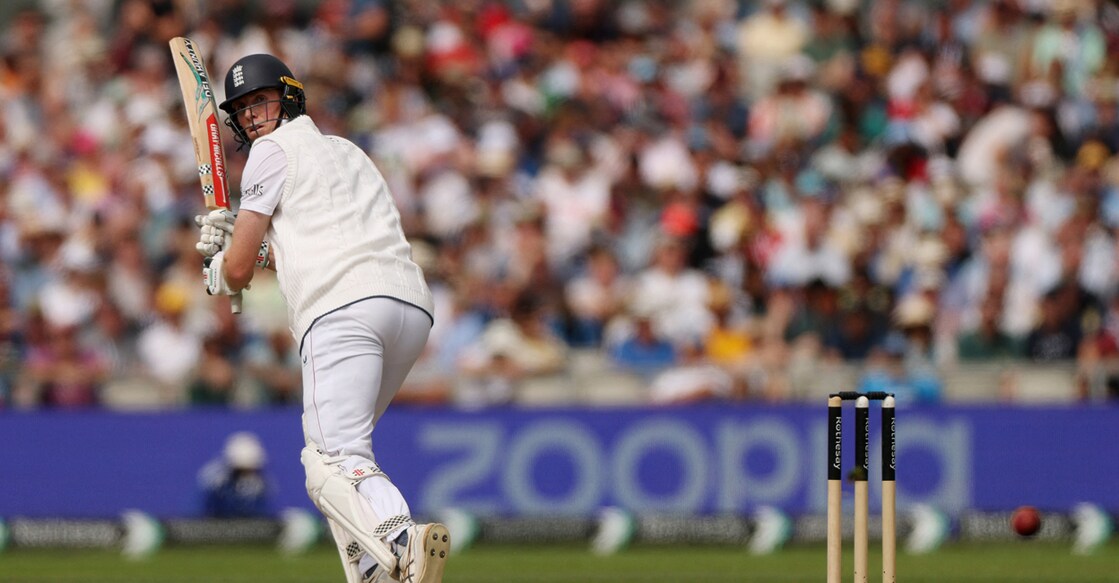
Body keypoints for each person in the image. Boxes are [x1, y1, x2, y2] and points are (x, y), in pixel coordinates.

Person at [194, 54, 448, 583]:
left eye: (260, 100)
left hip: (341, 310)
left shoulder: (270, 151)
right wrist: (243, 245)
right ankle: (378, 575)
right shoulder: (348, 151)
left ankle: (402, 537)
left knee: (332, 460)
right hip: (407, 308)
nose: (252, 116)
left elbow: (237, 271)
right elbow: (301, 243)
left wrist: (220, 264)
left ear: (287, 97)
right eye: (241, 109)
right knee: (337, 464)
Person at [197, 431, 273, 518]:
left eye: (250, 470)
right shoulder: (219, 487)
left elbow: (263, 516)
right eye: (241, 471)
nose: (246, 476)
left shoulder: (261, 488)